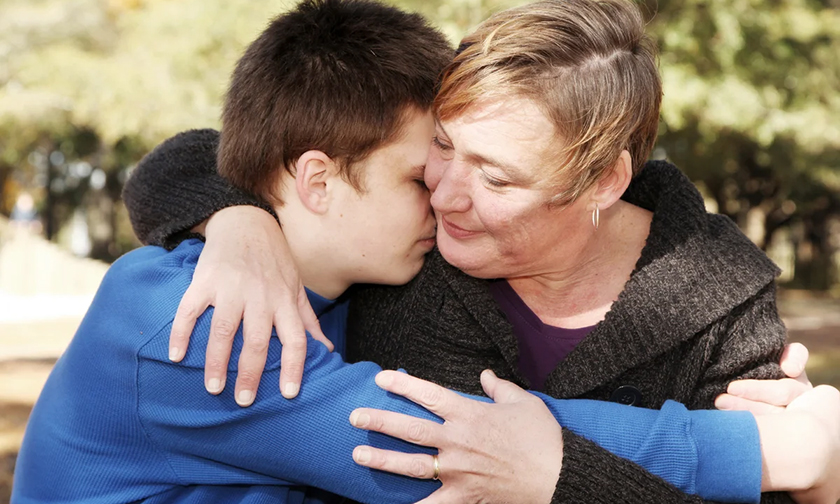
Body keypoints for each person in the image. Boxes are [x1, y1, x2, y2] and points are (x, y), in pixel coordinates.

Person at [12, 1, 814, 503]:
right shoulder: (197, 324)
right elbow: (455, 444)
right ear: (318, 182)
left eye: (488, 172)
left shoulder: (333, 274)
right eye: (426, 163)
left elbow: (220, 155)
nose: (442, 193)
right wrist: (765, 450)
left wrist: (237, 219)